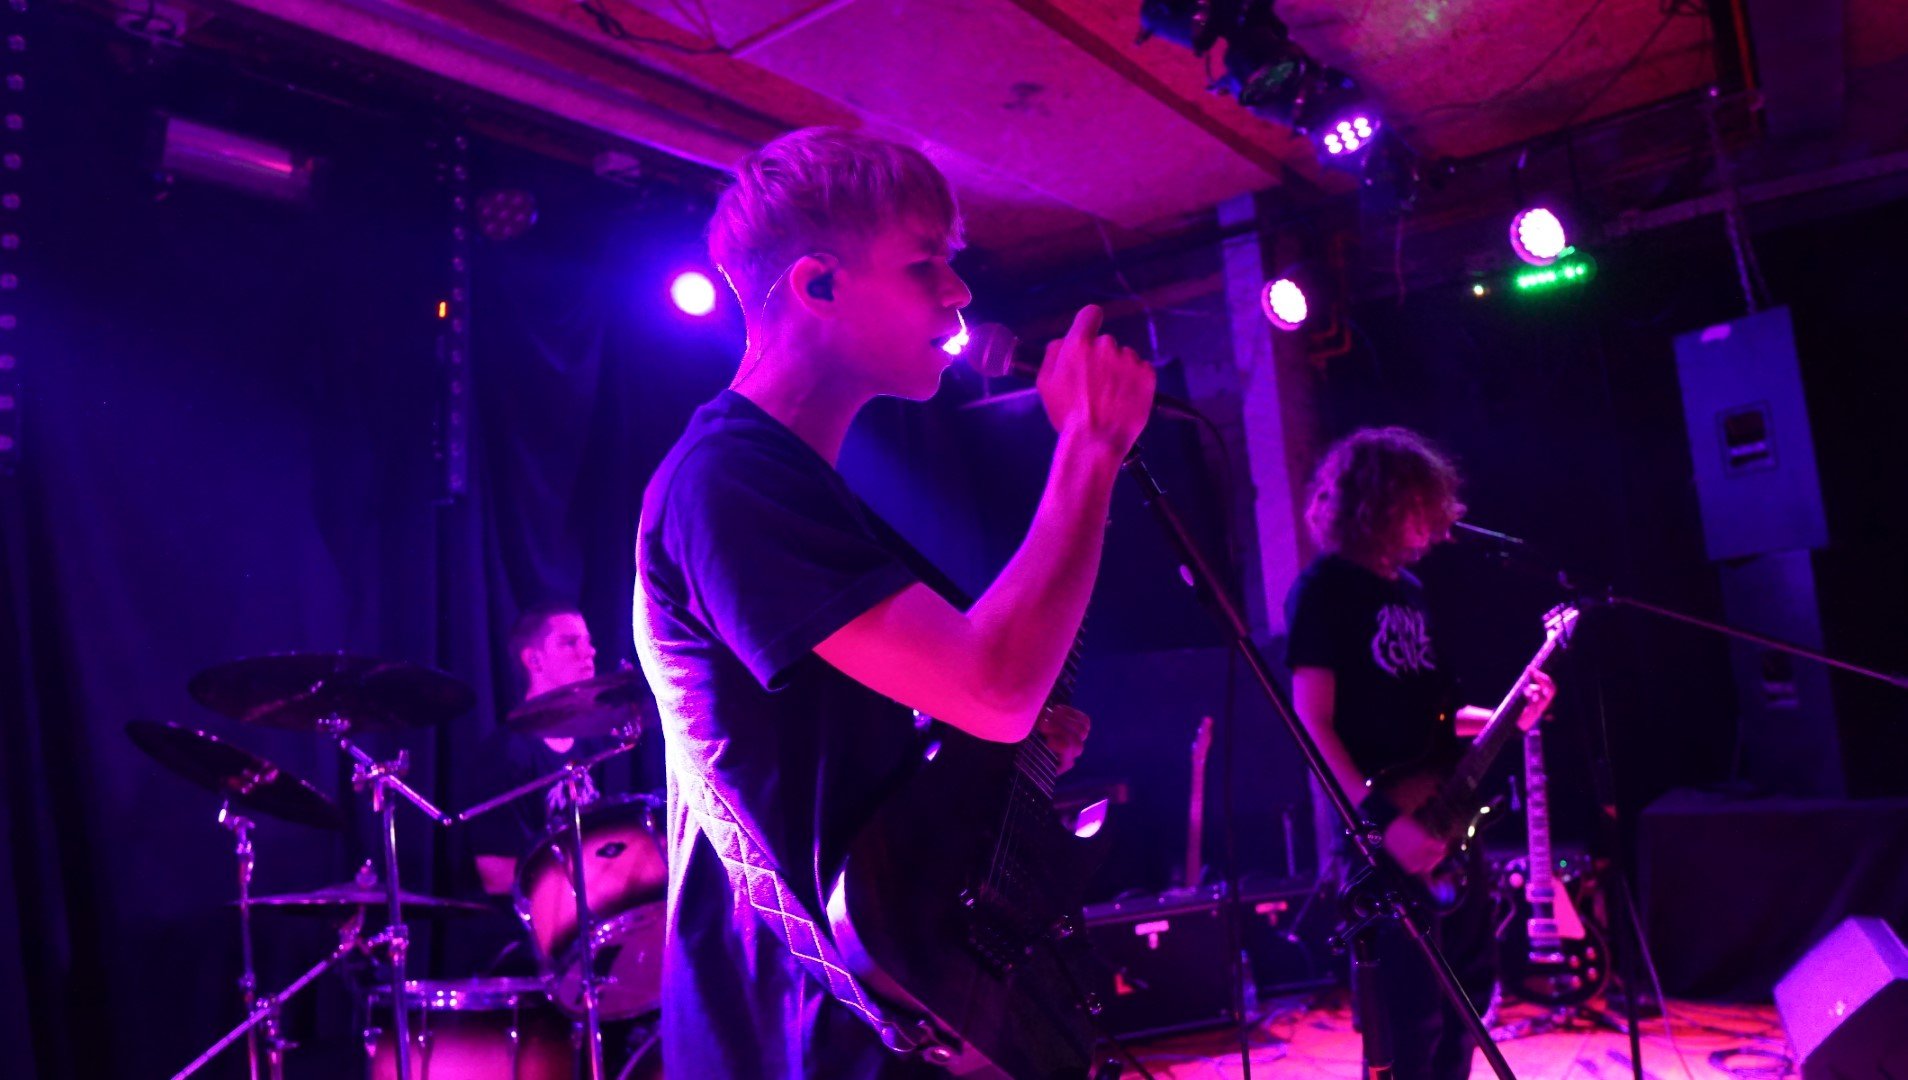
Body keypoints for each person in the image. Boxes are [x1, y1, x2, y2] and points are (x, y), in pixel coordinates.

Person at [631, 127, 1149, 1077]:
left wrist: (985, 759)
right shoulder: (728, 478)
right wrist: (1089, 449)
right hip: (796, 1036)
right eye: (925, 264)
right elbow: (994, 686)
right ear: (818, 286)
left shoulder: (796, 484)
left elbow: (855, 758)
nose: (958, 293)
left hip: (869, 1019)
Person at [1285, 426, 1556, 1080]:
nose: (1432, 518)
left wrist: (1510, 715)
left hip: (1446, 821)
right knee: (1411, 1020)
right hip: (1382, 833)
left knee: (1467, 1001)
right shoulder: (1325, 589)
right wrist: (1382, 824)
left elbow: (1438, 717)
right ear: (1376, 503)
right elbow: (1311, 722)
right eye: (1416, 502)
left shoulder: (1410, 591)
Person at [468, 602, 607, 897]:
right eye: (570, 643)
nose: (589, 652)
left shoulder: (597, 745)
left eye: (588, 642)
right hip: (541, 918)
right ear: (534, 660)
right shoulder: (504, 755)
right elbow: (497, 875)